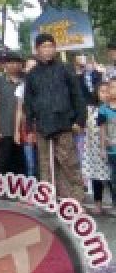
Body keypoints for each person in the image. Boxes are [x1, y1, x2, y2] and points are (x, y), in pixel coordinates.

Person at [23, 33, 88, 203]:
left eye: (50, 46)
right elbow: (28, 103)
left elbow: (77, 96)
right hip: (43, 126)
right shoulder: (31, 75)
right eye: (44, 46)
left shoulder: (66, 69)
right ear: (37, 50)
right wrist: (29, 128)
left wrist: (80, 120)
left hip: (65, 124)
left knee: (69, 164)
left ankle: (75, 201)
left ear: (55, 48)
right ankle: (50, 201)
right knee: (46, 166)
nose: (48, 50)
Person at [0, 50, 26, 176]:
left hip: (23, 130)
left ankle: (21, 191)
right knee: (2, 163)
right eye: (10, 62)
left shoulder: (25, 81)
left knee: (21, 164)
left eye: (17, 62)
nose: (14, 65)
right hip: (4, 129)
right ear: (5, 65)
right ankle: (1, 191)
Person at [81, 81, 113, 213]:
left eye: (107, 91)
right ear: (97, 93)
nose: (105, 94)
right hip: (93, 149)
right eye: (102, 91)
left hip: (110, 148)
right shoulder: (90, 109)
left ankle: (113, 202)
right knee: (96, 178)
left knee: (112, 177)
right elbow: (85, 128)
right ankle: (98, 204)